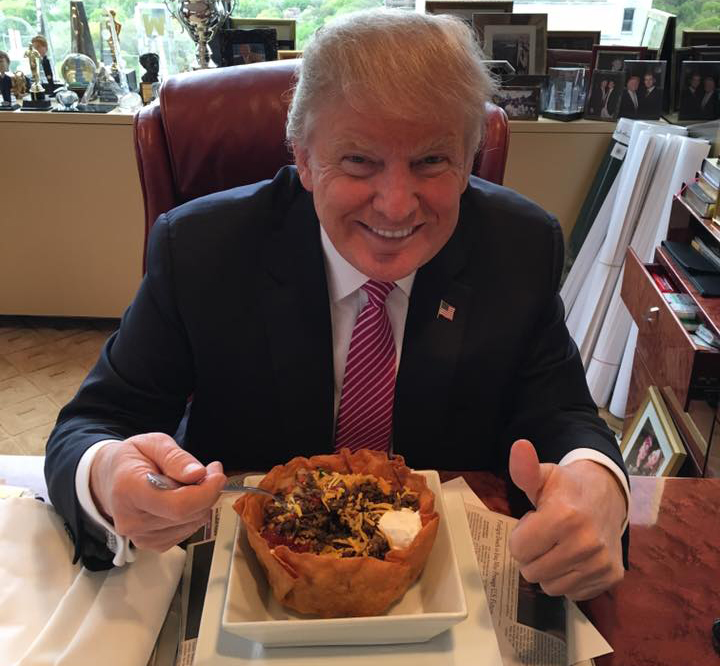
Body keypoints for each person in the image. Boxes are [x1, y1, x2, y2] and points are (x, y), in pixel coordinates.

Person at [44, 10, 628, 601]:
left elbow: (565, 418)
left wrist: (596, 483)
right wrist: (108, 477)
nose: (397, 207)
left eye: (431, 161)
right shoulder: (198, 249)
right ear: (303, 158)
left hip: (447, 592)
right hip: (250, 586)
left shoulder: (519, 246)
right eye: (358, 161)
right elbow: (93, 425)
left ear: (470, 155)